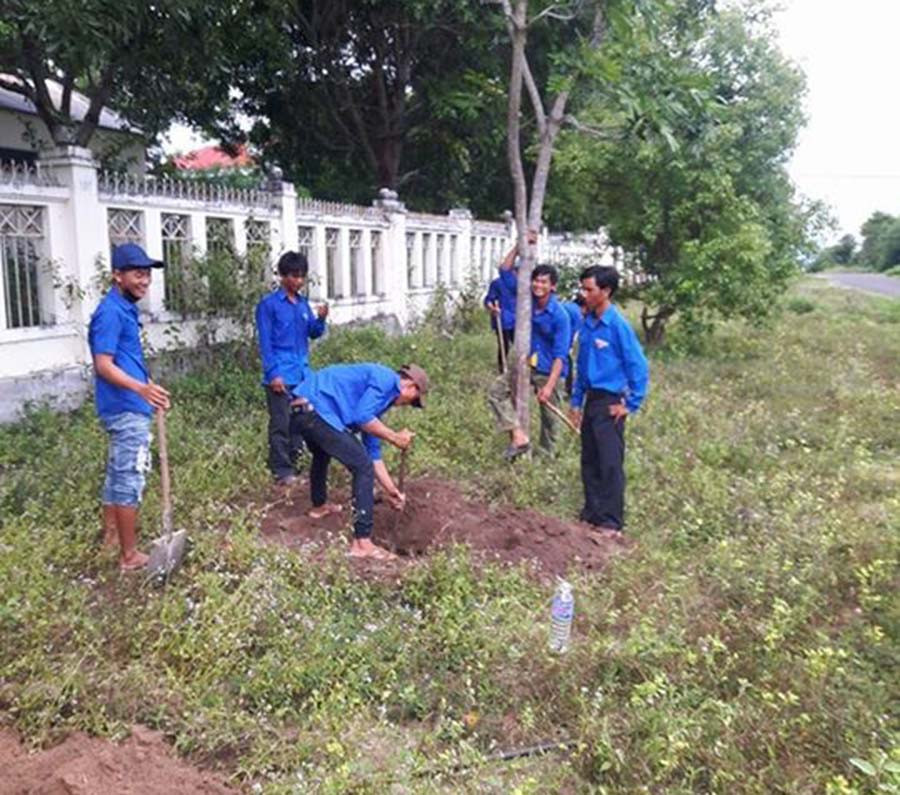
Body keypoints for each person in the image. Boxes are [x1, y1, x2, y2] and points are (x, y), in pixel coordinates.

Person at [290, 363, 429, 560]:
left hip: (302, 411)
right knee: (361, 467)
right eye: (413, 400)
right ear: (410, 386)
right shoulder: (385, 380)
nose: (407, 404)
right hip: (316, 410)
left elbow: (373, 452)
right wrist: (395, 437)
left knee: (322, 454)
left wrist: (391, 490)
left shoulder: (378, 403)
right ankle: (362, 543)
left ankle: (318, 507)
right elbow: (362, 417)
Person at [88, 243, 171, 572]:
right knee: (128, 477)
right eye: (138, 274)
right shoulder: (110, 312)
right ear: (117, 276)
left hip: (130, 403)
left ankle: (111, 538)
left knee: (116, 473)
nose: (145, 281)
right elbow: (103, 365)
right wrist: (141, 389)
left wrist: (149, 387)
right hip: (125, 408)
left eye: (147, 274)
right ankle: (129, 556)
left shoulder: (123, 308)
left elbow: (126, 359)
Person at [569, 265, 649, 534]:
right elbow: (582, 366)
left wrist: (630, 404)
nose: (584, 294)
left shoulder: (617, 326)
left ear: (606, 291)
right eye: (583, 288)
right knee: (589, 459)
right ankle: (592, 512)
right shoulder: (588, 324)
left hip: (610, 402)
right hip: (591, 399)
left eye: (589, 289)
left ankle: (611, 521)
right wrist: (576, 402)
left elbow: (638, 365)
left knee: (610, 462)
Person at [255, 251, 328, 485]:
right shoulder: (269, 305)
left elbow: (313, 334)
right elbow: (265, 343)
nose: (298, 281)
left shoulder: (303, 305)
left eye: (301, 277)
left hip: (301, 374)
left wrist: (321, 319)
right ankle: (281, 470)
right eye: (294, 276)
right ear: (282, 276)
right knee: (281, 423)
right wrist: (273, 374)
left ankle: (296, 463)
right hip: (281, 374)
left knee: (300, 421)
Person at [488, 264, 571, 459]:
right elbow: (504, 269)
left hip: (550, 370)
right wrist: (520, 242)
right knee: (496, 392)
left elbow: (561, 356)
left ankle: (546, 461)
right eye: (535, 280)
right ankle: (519, 437)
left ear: (553, 286)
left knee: (550, 421)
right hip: (526, 364)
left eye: (544, 282)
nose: (538, 285)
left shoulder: (560, 316)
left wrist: (549, 387)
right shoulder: (526, 302)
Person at [560, 293, 586, 399]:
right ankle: (568, 390)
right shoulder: (578, 314)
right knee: (568, 363)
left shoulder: (565, 305)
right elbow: (573, 333)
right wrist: (569, 347)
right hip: (562, 342)